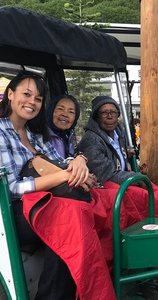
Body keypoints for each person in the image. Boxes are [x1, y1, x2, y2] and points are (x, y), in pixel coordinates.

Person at [0, 71, 117, 300]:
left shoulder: (35, 133)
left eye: (38, 98)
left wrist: (79, 160)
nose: (32, 102)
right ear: (10, 95)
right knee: (68, 220)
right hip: (14, 212)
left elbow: (59, 160)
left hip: (46, 203)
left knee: (93, 207)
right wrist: (63, 177)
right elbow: (11, 187)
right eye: (26, 94)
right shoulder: (1, 132)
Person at [77, 95, 158, 219]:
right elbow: (105, 174)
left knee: (155, 193)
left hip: (119, 178)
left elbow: (115, 155)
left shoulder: (119, 132)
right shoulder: (92, 139)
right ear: (96, 116)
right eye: (104, 113)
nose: (109, 116)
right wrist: (136, 177)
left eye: (113, 112)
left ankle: (154, 230)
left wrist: (125, 155)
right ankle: (144, 229)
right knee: (147, 196)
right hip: (103, 184)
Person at [46, 94, 80, 158]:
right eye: (60, 109)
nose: (65, 114)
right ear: (51, 111)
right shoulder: (40, 136)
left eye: (71, 112)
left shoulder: (70, 137)